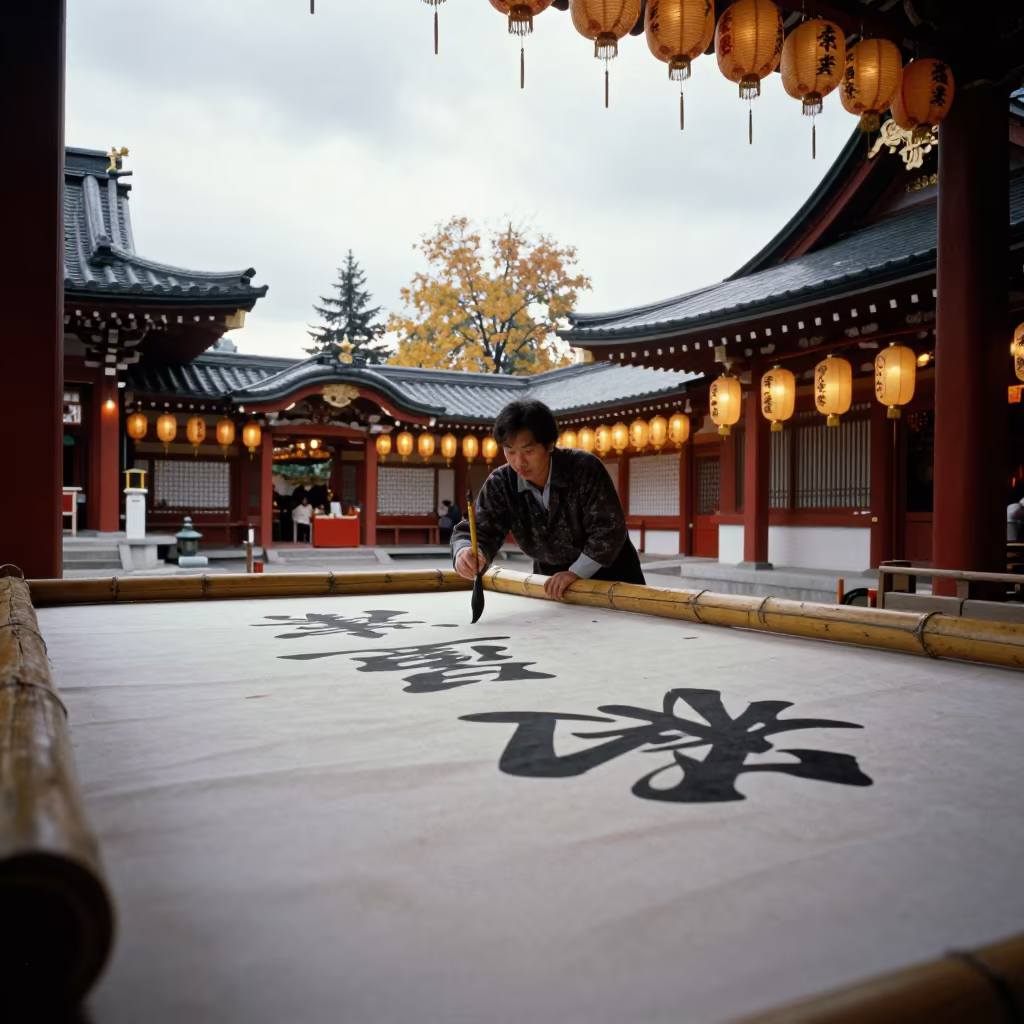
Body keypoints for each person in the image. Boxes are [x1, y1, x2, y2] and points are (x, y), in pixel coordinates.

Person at [452, 399, 644, 601]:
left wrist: (576, 572)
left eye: (528, 451)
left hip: (612, 575)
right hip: (551, 581)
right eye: (510, 452)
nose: (519, 462)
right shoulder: (501, 482)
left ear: (550, 444)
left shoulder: (583, 467)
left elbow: (609, 529)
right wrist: (467, 552)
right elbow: (479, 530)